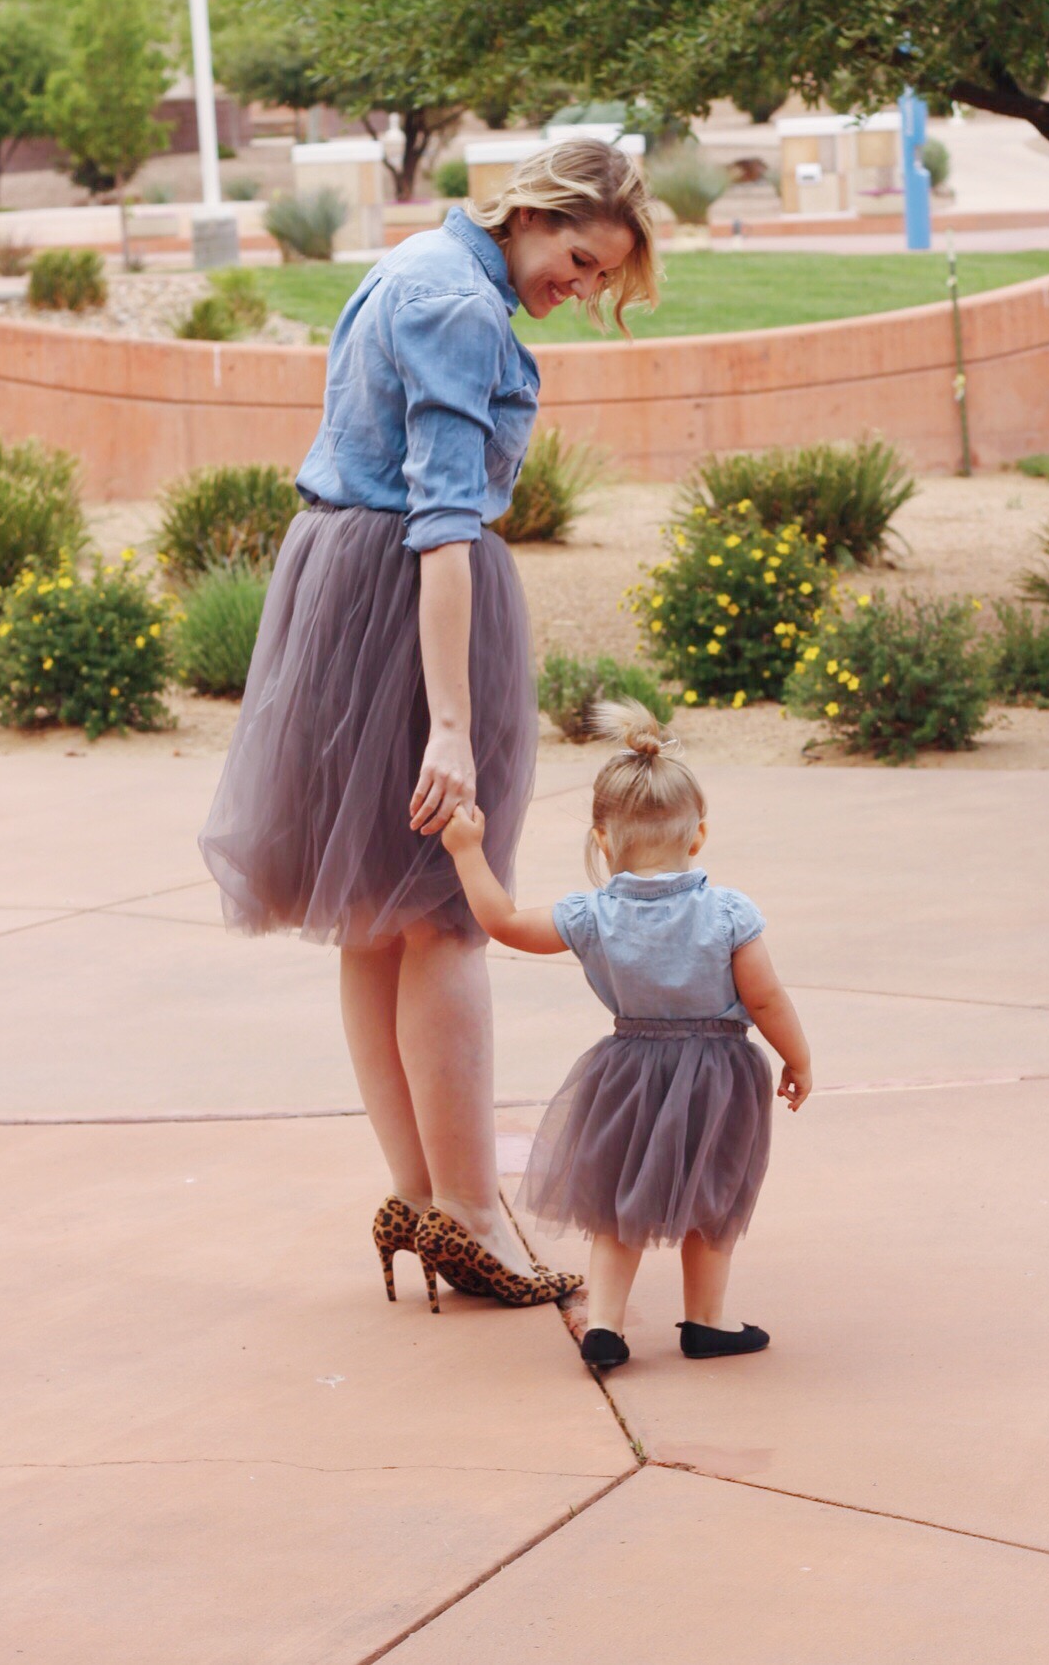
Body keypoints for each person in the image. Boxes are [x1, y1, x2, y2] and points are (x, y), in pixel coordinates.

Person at [198, 139, 659, 1313]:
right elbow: (445, 524)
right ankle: (465, 1216)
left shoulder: (412, 263)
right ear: (535, 214)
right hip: (408, 596)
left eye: (599, 275)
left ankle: (422, 1198)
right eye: (577, 256)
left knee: (373, 909)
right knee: (449, 911)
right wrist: (448, 726)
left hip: (334, 578)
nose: (580, 286)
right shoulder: (460, 305)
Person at [441, 700, 813, 1367]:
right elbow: (766, 997)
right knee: (715, 1195)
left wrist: (467, 850)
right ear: (697, 837)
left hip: (628, 1073)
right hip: (720, 1076)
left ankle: (607, 1326)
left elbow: (501, 921)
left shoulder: (592, 915)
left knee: (620, 1204)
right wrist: (798, 1057)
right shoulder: (729, 912)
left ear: (602, 839)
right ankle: (707, 1321)